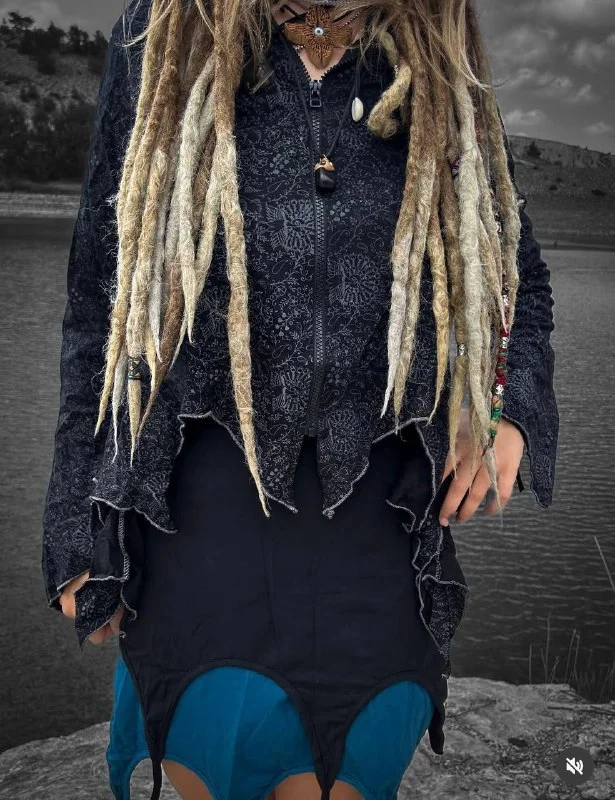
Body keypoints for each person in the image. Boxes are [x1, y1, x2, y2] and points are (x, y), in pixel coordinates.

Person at [42, 1, 559, 799]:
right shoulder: (167, 29)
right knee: (218, 744)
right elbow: (97, 294)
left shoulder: (432, 41)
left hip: (378, 513)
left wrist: (507, 407)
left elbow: (515, 271)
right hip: (198, 507)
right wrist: (75, 522)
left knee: (355, 760)